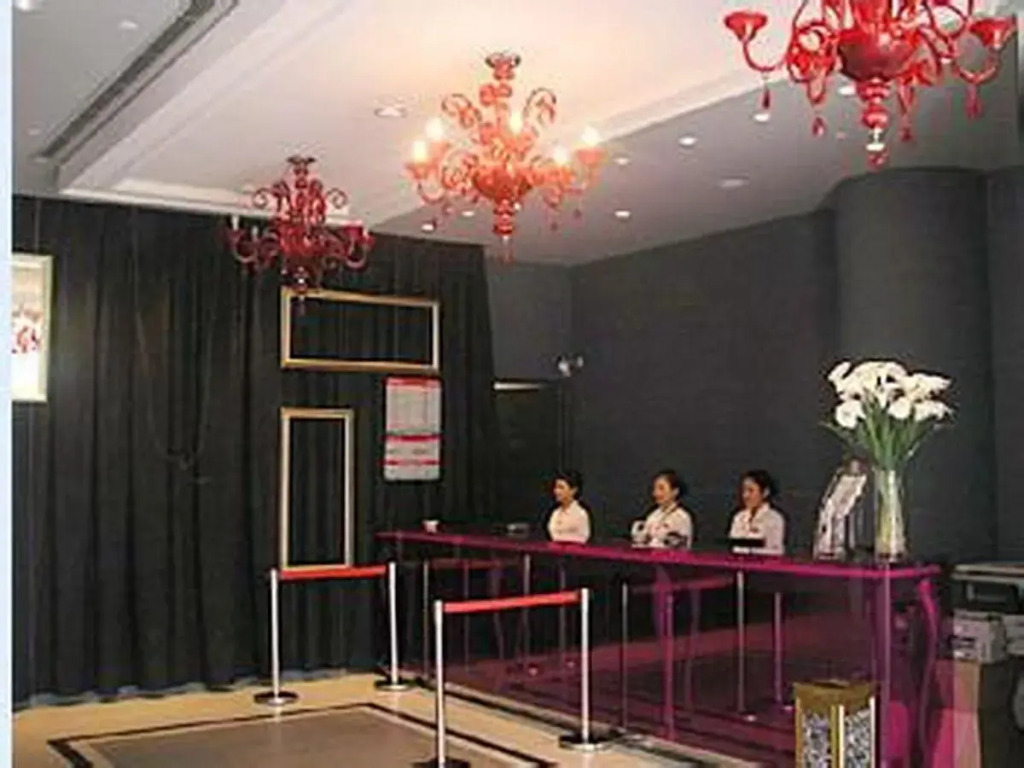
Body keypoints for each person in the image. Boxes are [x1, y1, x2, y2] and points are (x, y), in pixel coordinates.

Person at [631, 469, 693, 548]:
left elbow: (678, 547)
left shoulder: (682, 517)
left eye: (661, 488)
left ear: (675, 491)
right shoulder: (653, 515)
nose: (656, 493)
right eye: (655, 489)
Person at [729, 469, 785, 555]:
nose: (746, 495)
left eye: (751, 491)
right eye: (744, 490)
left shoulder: (774, 519)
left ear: (765, 492)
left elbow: (775, 551)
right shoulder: (739, 517)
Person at [546, 470, 591, 544]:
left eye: (561, 487)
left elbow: (582, 538)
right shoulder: (555, 513)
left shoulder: (580, 514)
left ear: (573, 490)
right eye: (556, 487)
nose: (556, 491)